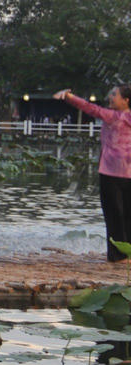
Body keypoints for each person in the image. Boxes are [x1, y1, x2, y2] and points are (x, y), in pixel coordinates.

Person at [55, 84, 131, 261]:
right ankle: (128, 255)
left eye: (114, 94)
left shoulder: (113, 117)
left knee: (114, 216)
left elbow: (90, 108)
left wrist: (69, 97)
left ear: (126, 100)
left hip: (111, 173)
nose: (110, 97)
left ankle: (117, 256)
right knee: (128, 215)